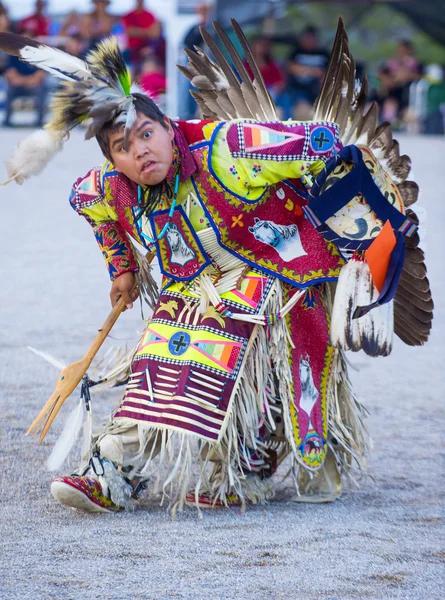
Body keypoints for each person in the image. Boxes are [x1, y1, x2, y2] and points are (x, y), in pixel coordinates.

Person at [0, 20, 430, 513]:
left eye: (146, 133)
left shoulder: (228, 149)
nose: (140, 150)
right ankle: (114, 468)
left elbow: (322, 142)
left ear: (167, 126)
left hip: (284, 270)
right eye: (123, 147)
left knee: (257, 354)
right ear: (113, 161)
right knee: (166, 346)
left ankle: (251, 461)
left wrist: (365, 229)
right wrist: (121, 266)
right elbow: (87, 205)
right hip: (200, 280)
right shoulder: (110, 187)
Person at [279, 25, 329, 119]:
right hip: (296, 89)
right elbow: (291, 67)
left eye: (311, 38)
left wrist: (304, 70)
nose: (308, 40)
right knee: (291, 102)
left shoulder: (324, 53)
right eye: (306, 38)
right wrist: (314, 71)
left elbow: (329, 72)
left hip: (316, 90)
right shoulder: (296, 52)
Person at [3, 28, 46, 127]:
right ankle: (7, 120)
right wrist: (27, 80)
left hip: (33, 86)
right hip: (18, 86)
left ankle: (40, 120)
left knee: (41, 89)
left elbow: (40, 75)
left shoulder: (40, 56)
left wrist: (26, 80)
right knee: (9, 89)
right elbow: (11, 75)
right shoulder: (12, 54)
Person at [377, 40, 423, 124]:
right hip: (392, 94)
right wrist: (392, 80)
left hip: (410, 95)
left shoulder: (415, 63)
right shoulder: (391, 63)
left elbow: (421, 76)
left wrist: (407, 75)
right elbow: (381, 74)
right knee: (389, 108)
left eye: (404, 50)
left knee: (409, 115)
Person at [180, 3, 212, 120]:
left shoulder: (213, 27)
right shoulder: (195, 29)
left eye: (205, 10)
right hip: (197, 69)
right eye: (201, 10)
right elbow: (187, 43)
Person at [122, 0, 161, 70]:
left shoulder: (150, 15)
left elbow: (155, 33)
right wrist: (147, 32)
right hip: (132, 50)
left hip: (146, 48)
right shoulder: (129, 16)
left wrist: (136, 31)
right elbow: (129, 32)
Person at [244, 36, 285, 101]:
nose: (258, 50)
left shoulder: (273, 67)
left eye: (261, 47)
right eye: (255, 46)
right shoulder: (244, 66)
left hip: (269, 97)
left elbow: (279, 85)